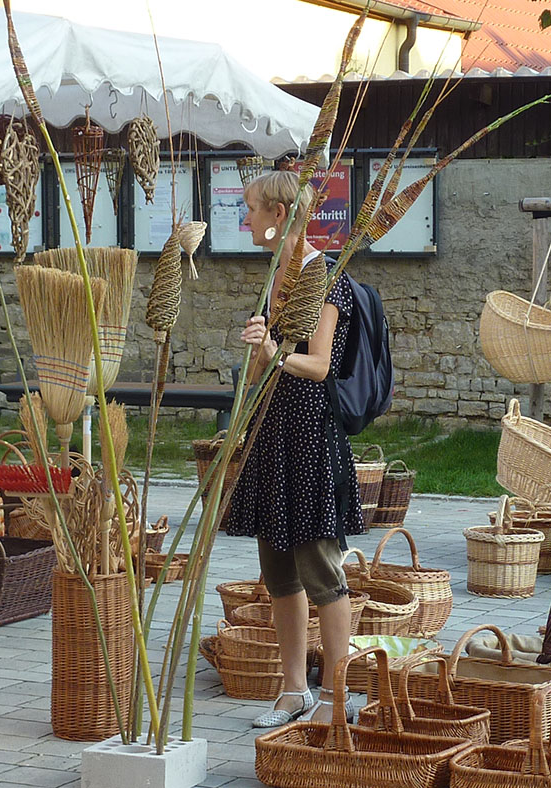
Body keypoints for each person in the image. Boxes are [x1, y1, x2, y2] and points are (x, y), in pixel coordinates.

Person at [226, 170, 362, 728]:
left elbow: (320, 365)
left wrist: (275, 354)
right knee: (279, 572)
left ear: (279, 215)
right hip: (271, 432)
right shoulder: (273, 276)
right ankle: (292, 691)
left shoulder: (325, 277)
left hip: (308, 436)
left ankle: (334, 696)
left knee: (320, 571)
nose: (247, 219)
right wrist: (258, 353)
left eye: (252, 208)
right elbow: (267, 364)